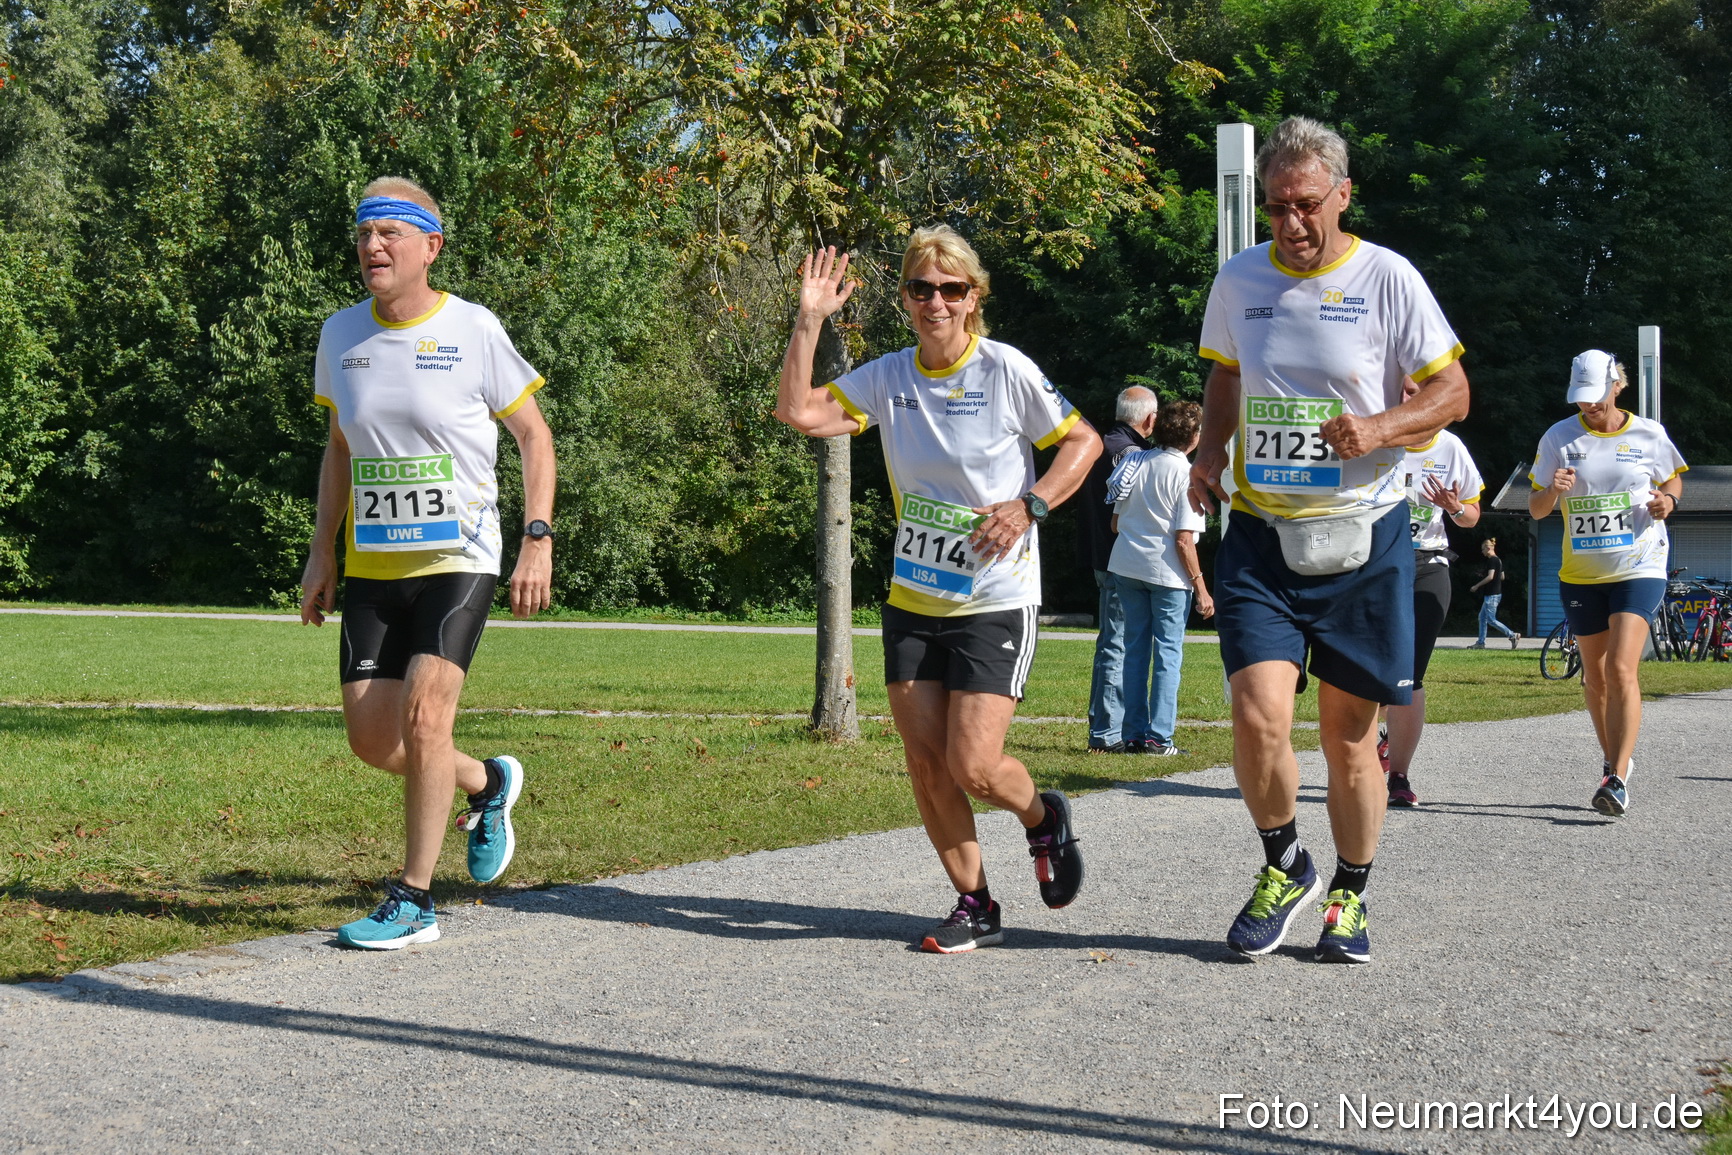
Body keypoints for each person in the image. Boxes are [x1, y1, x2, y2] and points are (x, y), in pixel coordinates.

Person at [1189, 116, 1470, 965]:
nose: (1292, 224)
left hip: (1365, 537)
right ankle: (1285, 863)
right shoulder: (1240, 280)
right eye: (1276, 208)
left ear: (1343, 195)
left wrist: (1381, 425)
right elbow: (1227, 371)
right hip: (1262, 537)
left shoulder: (1388, 278)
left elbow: (1452, 392)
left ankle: (1348, 893)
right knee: (1257, 713)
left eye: (1307, 205)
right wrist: (1208, 451)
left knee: (1349, 735)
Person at [775, 228, 1102, 954]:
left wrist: (1031, 506)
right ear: (905, 298)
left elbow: (1083, 443)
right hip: (915, 598)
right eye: (921, 288)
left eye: (951, 289)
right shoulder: (889, 377)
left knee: (976, 765)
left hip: (996, 596)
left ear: (973, 298)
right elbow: (798, 412)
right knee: (926, 763)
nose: (936, 302)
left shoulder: (1005, 369)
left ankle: (1042, 816)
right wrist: (810, 318)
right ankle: (974, 901)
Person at [299, 176, 557, 949]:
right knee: (375, 740)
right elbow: (339, 447)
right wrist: (321, 553)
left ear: (429, 246)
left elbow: (535, 438)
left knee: (425, 716)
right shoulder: (340, 335)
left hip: (460, 556)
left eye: (389, 234)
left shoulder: (473, 329)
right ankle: (488, 782)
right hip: (375, 565)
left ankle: (413, 900)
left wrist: (536, 536)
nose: (372, 247)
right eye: (363, 233)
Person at [1528, 349, 1685, 817]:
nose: (1588, 407)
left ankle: (1617, 777)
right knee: (1594, 677)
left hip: (1640, 564)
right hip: (1581, 574)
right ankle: (1611, 758)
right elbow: (1535, 509)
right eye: (1581, 399)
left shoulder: (1649, 433)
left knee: (1620, 668)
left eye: (1595, 397)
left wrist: (1667, 504)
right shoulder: (1559, 436)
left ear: (1618, 386)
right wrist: (1552, 490)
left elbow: (1674, 482)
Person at [1382, 414, 1484, 807]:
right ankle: (1379, 741)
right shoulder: (1378, 435)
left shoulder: (1451, 448)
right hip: (1375, 564)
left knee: (1409, 675)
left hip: (1428, 564)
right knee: (1374, 670)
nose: (1408, 399)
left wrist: (1455, 508)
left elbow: (1472, 516)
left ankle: (1399, 776)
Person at [1105, 399, 1214, 755]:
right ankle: (1159, 737)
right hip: (1167, 574)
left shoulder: (1136, 462)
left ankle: (1133, 733)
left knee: (1134, 651)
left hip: (1125, 564)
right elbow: (1184, 540)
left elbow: (1116, 522)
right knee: (1168, 655)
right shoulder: (1186, 474)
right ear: (1194, 437)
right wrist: (1201, 588)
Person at [1077, 387, 1158, 753]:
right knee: (1119, 644)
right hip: (1121, 558)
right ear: (1149, 419)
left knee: (1110, 641)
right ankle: (1108, 733)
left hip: (1099, 553)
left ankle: (1103, 724)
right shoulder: (1132, 455)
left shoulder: (1097, 445)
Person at [1468, 539, 1520, 648]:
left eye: (1482, 549)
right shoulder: (1499, 560)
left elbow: (1490, 576)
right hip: (1496, 594)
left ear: (1488, 548)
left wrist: (1476, 586)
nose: (1482, 552)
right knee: (1482, 618)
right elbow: (1502, 577)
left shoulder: (1492, 560)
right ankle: (1481, 643)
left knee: (1491, 619)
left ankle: (1512, 635)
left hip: (1491, 595)